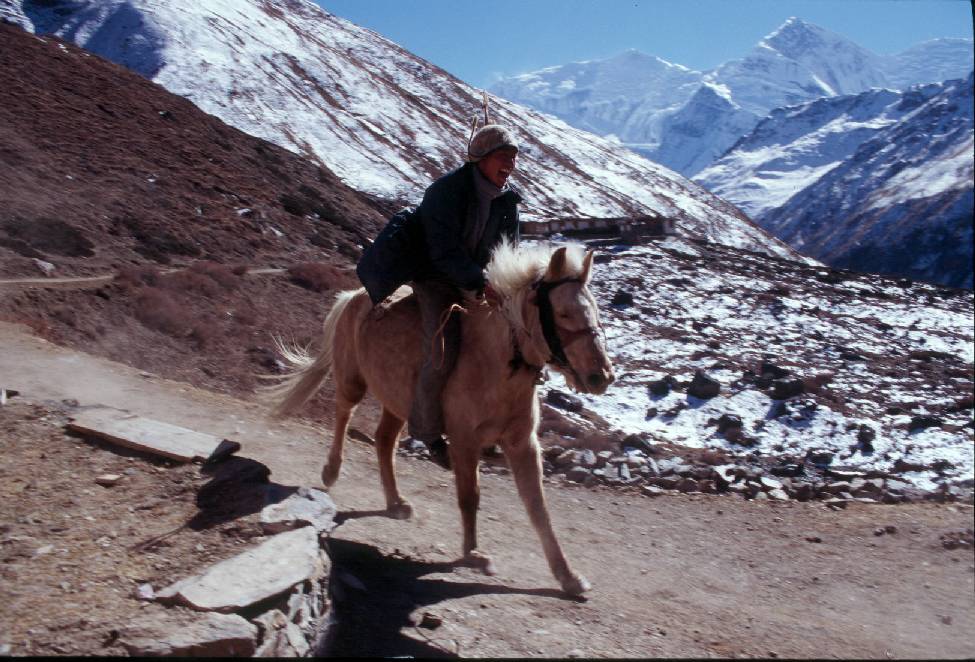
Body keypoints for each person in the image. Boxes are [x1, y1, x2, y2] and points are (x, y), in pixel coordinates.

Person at [407, 124, 522, 468]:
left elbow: (508, 251)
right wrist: (480, 281)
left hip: (477, 279)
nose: (510, 164)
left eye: (514, 158)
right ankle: (429, 434)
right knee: (442, 350)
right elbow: (441, 250)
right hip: (435, 277)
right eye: (503, 156)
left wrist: (506, 285)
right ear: (481, 158)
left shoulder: (507, 201)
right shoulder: (445, 192)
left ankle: (490, 427)